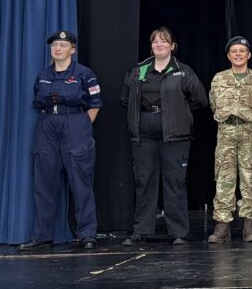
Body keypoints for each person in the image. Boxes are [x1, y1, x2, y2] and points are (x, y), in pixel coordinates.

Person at [121, 27, 208, 246]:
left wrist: (179, 112)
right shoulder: (139, 70)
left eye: (164, 41)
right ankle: (141, 230)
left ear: (172, 45)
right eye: (155, 41)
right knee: (144, 181)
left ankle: (178, 232)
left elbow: (200, 99)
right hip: (144, 135)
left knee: (174, 182)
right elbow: (125, 98)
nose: (159, 44)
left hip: (175, 135)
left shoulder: (182, 71)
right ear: (151, 45)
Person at [19, 30, 102, 251]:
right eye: (54, 45)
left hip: (75, 123)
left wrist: (82, 126)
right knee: (43, 183)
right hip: (47, 124)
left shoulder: (85, 74)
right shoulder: (43, 74)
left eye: (63, 45)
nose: (57, 48)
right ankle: (43, 235)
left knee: (80, 182)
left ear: (72, 50)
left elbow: (95, 103)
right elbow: (37, 99)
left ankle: (87, 234)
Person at [207, 36, 252, 243]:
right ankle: (223, 225)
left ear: (249, 55)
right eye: (234, 51)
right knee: (224, 178)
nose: (239, 54)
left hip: (249, 132)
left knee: (250, 178)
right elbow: (213, 104)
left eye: (242, 51)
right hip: (225, 133)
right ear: (228, 56)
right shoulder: (219, 79)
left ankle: (249, 225)